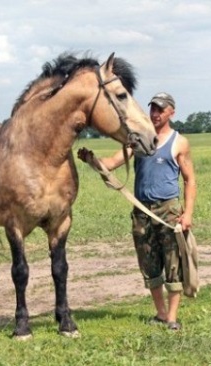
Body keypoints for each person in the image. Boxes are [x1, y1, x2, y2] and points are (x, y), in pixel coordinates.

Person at [78, 92, 196, 330]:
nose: (155, 114)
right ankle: (161, 313)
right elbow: (111, 163)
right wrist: (91, 160)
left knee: (173, 264)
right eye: (152, 109)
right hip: (142, 211)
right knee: (149, 264)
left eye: (160, 110)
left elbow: (189, 179)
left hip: (168, 211)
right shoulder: (138, 142)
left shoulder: (179, 142)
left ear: (171, 112)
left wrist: (188, 214)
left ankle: (172, 318)